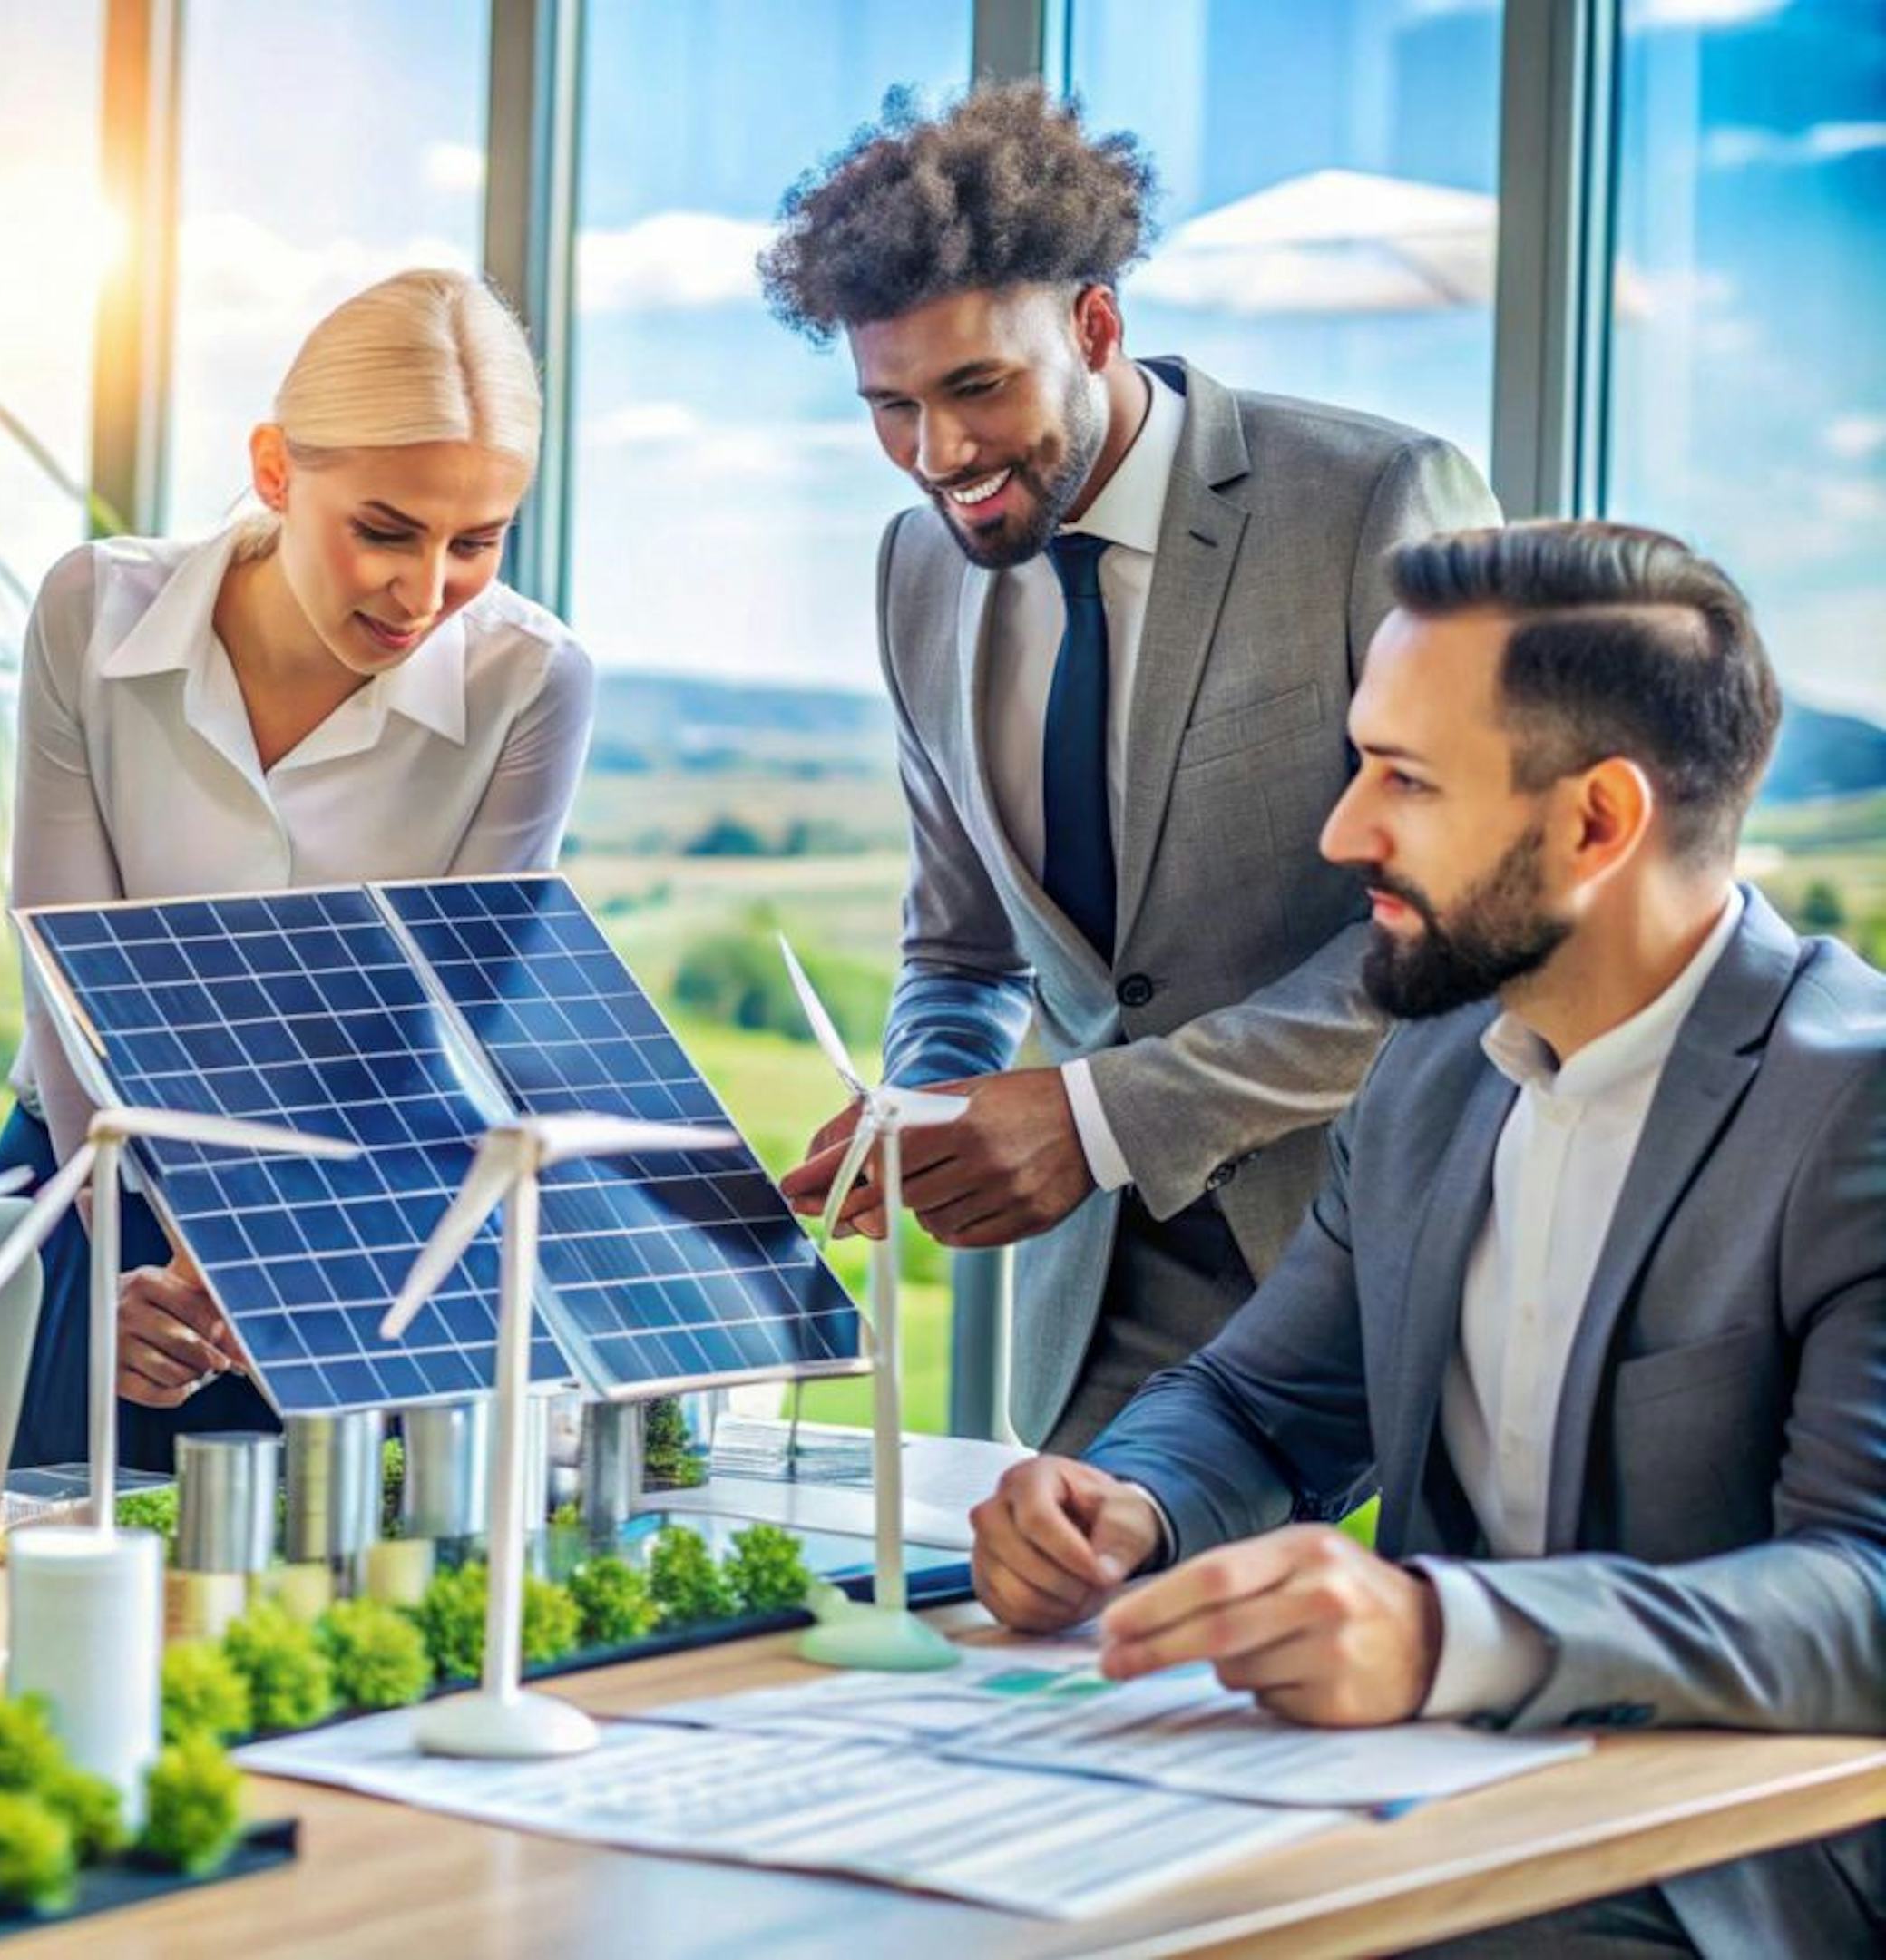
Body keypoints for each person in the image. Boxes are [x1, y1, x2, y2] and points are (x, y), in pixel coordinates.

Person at [971, 522, 1882, 1955]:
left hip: (1708, 1880)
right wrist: (1125, 1502)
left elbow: (1866, 1597)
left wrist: (1443, 1634)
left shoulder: (1857, 1107)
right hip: (1403, 1815)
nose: (1343, 833)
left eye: (1403, 778)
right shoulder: (1436, 1063)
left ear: (1596, 823)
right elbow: (1264, 1405)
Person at [754, 84, 1502, 1448]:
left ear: (1097, 325)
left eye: (978, 387)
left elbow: (1464, 923)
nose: (939, 457)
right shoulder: (917, 568)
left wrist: (1102, 1116)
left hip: (1382, 1253)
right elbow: (965, 949)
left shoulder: (1373, 503)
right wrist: (928, 1103)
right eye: (892, 407)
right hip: (1100, 1300)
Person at [0, 268, 594, 1471]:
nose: (423, 594)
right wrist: (121, 1238)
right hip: (81, 1177)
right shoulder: (93, 612)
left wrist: (287, 1257)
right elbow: (61, 968)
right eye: (384, 531)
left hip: (354, 1216)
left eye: (474, 544)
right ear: (275, 469)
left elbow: (441, 1030)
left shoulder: (531, 683)